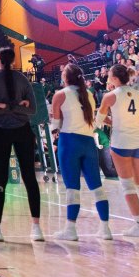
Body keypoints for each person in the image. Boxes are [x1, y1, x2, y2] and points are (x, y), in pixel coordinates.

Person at [0, 46, 43, 242]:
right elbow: (31, 110)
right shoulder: (23, 79)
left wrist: (5, 106)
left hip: (0, 132)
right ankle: (36, 228)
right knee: (30, 178)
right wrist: (17, 107)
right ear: (14, 60)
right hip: (23, 131)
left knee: (0, 179)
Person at [97, 64, 139, 238]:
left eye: (109, 75)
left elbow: (98, 121)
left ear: (115, 78)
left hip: (121, 143)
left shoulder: (109, 96)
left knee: (127, 185)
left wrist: (108, 119)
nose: (108, 78)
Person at [50, 63, 111, 241]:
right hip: (88, 142)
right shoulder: (89, 95)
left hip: (69, 142)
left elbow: (55, 124)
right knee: (97, 186)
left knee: (72, 188)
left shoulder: (60, 95)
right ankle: (105, 228)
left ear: (65, 77)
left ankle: (70, 229)